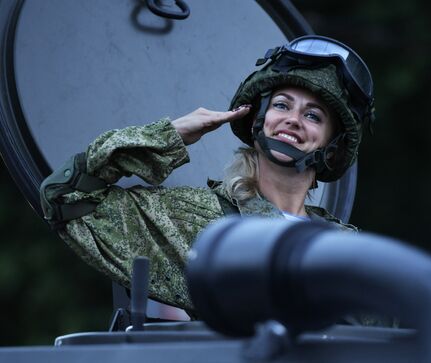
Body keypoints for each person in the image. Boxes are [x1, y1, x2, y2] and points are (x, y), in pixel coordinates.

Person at [39, 35, 376, 318]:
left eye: (313, 115)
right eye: (282, 105)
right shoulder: (201, 221)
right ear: (258, 119)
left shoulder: (346, 247)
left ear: (332, 147)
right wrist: (170, 135)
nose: (292, 120)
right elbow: (68, 198)